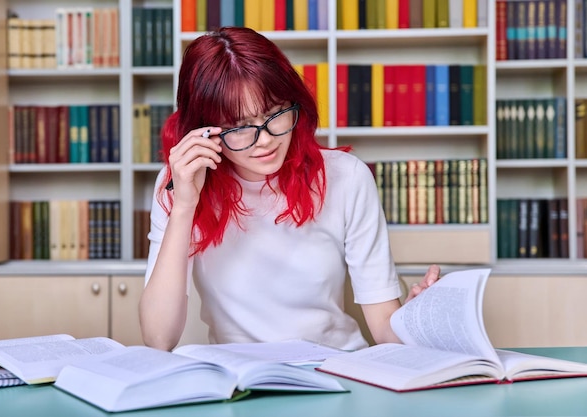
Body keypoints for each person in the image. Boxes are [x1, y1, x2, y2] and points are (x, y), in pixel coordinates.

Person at [139, 26, 441, 352]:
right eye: (240, 126)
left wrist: (416, 318)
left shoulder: (346, 177)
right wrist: (184, 206)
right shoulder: (180, 184)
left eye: (275, 113)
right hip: (242, 381)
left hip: (335, 371)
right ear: (205, 132)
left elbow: (384, 329)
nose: (266, 140)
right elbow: (159, 339)